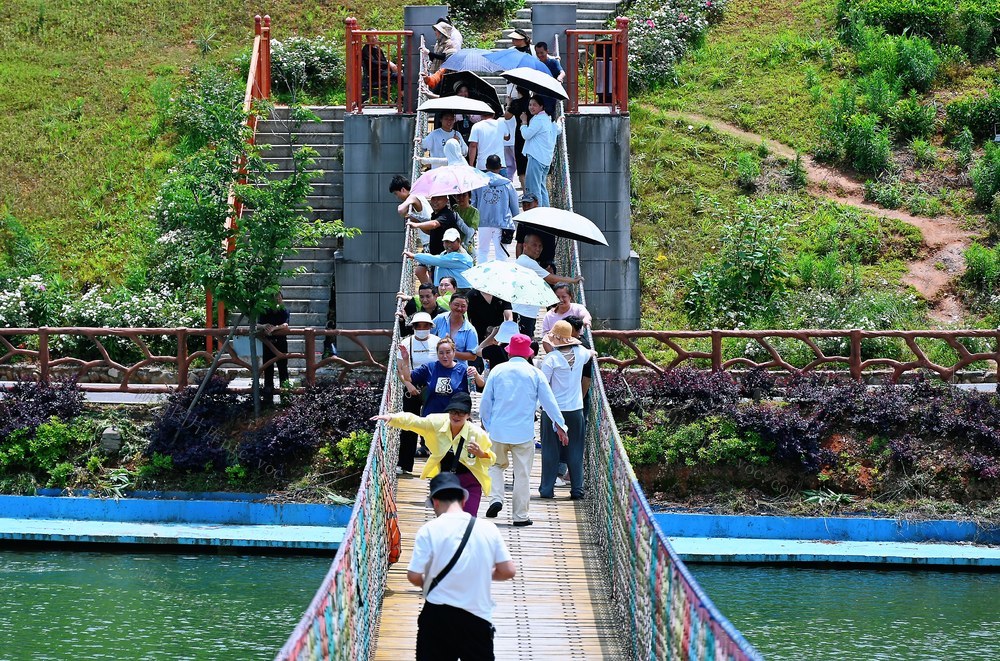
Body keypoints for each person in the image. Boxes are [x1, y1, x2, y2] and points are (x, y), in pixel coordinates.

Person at [404, 472, 515, 661]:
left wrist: (427, 583)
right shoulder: (488, 529)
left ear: (435, 502)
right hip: (477, 617)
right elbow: (508, 571)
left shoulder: (428, 530)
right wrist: (481, 573)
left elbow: (414, 575)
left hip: (438, 616)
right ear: (464, 500)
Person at [480, 334, 568, 527]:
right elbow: (549, 402)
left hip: (499, 430)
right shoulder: (535, 373)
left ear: (509, 351)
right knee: (522, 474)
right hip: (523, 433)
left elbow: (486, 401)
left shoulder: (497, 371)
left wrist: (487, 424)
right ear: (529, 354)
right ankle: (520, 516)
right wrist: (560, 426)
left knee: (495, 466)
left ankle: (496, 498)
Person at [374, 393, 494, 517]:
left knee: (468, 519)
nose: (456, 416)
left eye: (461, 413)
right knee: (446, 520)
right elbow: (414, 422)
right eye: (453, 412)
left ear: (468, 415)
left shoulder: (478, 435)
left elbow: (491, 460)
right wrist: (392, 418)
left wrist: (480, 453)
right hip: (447, 481)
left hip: (470, 482)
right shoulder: (437, 423)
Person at [538, 321, 594, 500]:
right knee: (576, 450)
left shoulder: (551, 359)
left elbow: (543, 386)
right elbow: (591, 353)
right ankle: (577, 490)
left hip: (553, 412)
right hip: (575, 409)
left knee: (550, 450)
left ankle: (547, 489)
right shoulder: (581, 353)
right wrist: (593, 352)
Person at [513, 231, 582, 340]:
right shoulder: (528, 262)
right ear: (525, 246)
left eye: (540, 246)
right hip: (523, 312)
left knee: (526, 341)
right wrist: (573, 280)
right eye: (534, 245)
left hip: (526, 310)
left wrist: (544, 272)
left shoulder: (525, 261)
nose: (538, 249)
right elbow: (552, 280)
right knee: (524, 342)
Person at [395, 312, 441, 473]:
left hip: (433, 388)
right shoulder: (406, 343)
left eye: (425, 325)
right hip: (412, 385)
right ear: (413, 327)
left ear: (430, 327)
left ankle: (438, 464)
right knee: (409, 424)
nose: (422, 329)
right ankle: (404, 464)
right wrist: (408, 385)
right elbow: (400, 368)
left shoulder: (437, 342)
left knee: (435, 425)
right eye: (418, 326)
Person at [400, 337, 484, 416]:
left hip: (455, 419)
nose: (444, 356)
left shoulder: (463, 370)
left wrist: (476, 374)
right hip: (432, 418)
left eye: (448, 352)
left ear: (454, 353)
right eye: (441, 353)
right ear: (437, 354)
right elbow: (408, 378)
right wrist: (405, 360)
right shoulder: (429, 368)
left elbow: (481, 385)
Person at [472, 155, 519, 264]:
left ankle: (481, 276)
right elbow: (514, 207)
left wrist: (473, 223)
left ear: (486, 166)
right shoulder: (507, 184)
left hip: (483, 222)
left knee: (482, 251)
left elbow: (474, 203)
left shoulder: (478, 182)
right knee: (501, 254)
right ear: (500, 167)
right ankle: (501, 277)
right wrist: (516, 224)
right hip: (502, 223)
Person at [407, 195, 462, 283]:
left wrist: (416, 225)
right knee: (432, 277)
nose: (435, 201)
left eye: (439, 199)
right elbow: (431, 231)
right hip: (437, 255)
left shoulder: (447, 214)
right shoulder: (435, 214)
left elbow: (434, 224)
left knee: (442, 281)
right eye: (433, 199)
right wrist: (417, 221)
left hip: (446, 256)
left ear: (446, 200)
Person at [520, 96, 563, 208]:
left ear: (541, 106)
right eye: (530, 104)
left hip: (536, 158)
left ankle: (538, 213)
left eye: (534, 105)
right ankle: (545, 211)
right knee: (541, 187)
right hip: (545, 160)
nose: (531, 107)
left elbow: (526, 135)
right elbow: (558, 130)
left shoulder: (538, 120)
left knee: (534, 189)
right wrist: (559, 121)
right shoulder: (549, 119)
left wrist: (524, 122)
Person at [405, 228, 474, 289]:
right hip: (446, 288)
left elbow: (436, 260)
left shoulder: (460, 256)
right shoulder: (444, 253)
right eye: (446, 242)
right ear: (443, 242)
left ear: (459, 241)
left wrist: (414, 256)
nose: (449, 245)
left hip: (460, 290)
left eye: (452, 242)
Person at [466, 288, 513, 371]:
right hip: (478, 335)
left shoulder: (502, 294)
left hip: (498, 337)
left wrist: (507, 329)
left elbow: (509, 316)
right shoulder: (471, 295)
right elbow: (467, 318)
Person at [432, 293, 479, 364]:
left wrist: (451, 352)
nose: (459, 308)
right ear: (449, 304)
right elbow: (428, 335)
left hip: (459, 368)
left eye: (463, 306)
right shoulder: (440, 319)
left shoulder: (470, 329)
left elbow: (473, 356)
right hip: (438, 364)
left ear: (467, 308)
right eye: (456, 305)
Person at [258, 295, 290, 401]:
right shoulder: (265, 310)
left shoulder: (284, 310)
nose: (277, 299)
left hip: (281, 343)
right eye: (274, 297)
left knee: (283, 368)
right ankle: (268, 398)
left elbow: (286, 324)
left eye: (279, 297)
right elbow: (257, 325)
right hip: (268, 343)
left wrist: (275, 328)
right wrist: (264, 326)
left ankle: (285, 395)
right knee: (268, 368)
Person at [514, 193, 556, 268]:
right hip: (528, 262)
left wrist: (549, 264)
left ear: (536, 203)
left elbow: (551, 245)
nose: (526, 208)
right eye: (524, 205)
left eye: (529, 204)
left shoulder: (547, 221)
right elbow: (519, 244)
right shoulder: (522, 222)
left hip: (545, 262)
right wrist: (519, 265)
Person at [390, 174, 432, 245]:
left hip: (429, 240)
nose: (397, 197)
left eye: (396, 193)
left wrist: (408, 215)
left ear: (403, 189)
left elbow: (400, 210)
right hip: (430, 237)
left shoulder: (413, 196)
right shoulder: (418, 194)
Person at [504, 86, 531, 189]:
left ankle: (525, 192)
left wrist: (509, 103)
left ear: (517, 90)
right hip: (532, 134)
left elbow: (507, 116)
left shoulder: (516, 103)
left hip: (520, 135)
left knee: (521, 165)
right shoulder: (532, 102)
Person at [360, 33, 399, 103]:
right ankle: (401, 98)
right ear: (367, 38)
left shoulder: (378, 49)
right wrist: (388, 64)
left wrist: (390, 65)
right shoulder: (366, 50)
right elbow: (373, 63)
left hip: (383, 72)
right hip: (376, 75)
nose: (374, 38)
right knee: (401, 77)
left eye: (375, 35)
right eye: (372, 36)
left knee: (401, 75)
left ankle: (401, 97)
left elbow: (383, 61)